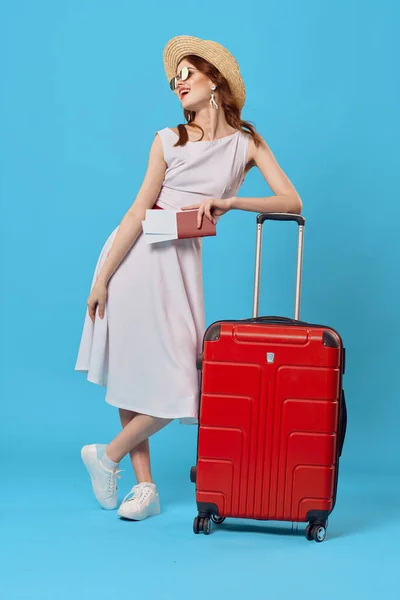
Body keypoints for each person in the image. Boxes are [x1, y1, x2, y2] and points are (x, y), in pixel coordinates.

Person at [75, 35, 302, 521]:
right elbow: (138, 211)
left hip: (179, 262)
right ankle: (145, 487)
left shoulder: (247, 143)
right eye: (173, 78)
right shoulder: (167, 139)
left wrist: (232, 201)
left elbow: (291, 201)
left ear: (213, 80)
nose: (178, 83)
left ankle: (106, 455)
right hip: (136, 255)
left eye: (187, 74)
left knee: (183, 379)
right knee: (133, 370)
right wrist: (102, 279)